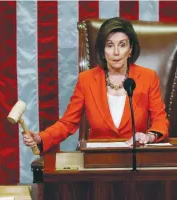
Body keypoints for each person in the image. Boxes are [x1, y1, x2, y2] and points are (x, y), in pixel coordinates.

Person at [23, 17, 169, 154]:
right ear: (102, 51)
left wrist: (149, 136)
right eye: (110, 45)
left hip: (136, 156)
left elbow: (160, 119)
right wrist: (41, 138)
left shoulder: (148, 77)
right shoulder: (86, 79)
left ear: (130, 49)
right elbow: (68, 123)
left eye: (122, 45)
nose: (116, 52)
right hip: (98, 159)